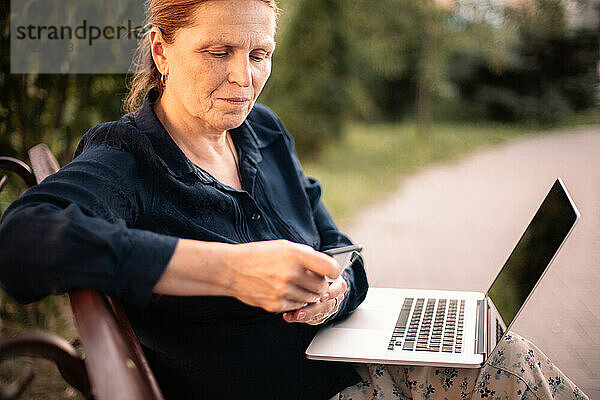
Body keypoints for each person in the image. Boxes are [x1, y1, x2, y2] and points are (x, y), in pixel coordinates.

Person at [0, 1, 589, 399]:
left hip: (350, 364)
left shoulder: (264, 133)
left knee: (492, 344)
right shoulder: (126, 159)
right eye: (217, 52)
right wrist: (228, 270)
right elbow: (22, 242)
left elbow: (340, 248)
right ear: (160, 49)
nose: (243, 80)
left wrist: (335, 292)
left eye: (259, 55)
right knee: (502, 362)